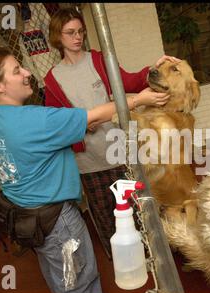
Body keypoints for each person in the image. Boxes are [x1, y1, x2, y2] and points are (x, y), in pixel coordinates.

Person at [0, 47, 146, 293]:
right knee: (80, 286)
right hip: (58, 223)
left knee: (62, 282)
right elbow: (92, 117)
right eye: (17, 71)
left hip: (28, 219)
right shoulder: (34, 119)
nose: (27, 73)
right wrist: (140, 100)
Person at [45, 8, 179, 259]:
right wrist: (81, 126)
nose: (77, 38)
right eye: (70, 33)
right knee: (106, 213)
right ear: (57, 36)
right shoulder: (53, 79)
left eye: (81, 32)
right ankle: (121, 260)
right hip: (88, 160)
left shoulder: (98, 60)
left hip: (120, 150)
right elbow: (56, 124)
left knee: (138, 205)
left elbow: (128, 83)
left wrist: (153, 68)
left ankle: (154, 255)